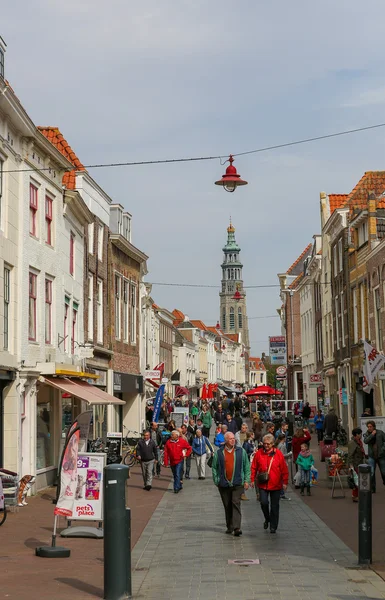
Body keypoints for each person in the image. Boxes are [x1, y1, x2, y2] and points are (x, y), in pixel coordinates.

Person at [212, 431, 250, 536]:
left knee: (235, 503)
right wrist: (216, 480)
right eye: (230, 439)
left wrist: (247, 480)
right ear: (225, 441)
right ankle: (230, 526)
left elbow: (246, 466)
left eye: (234, 438)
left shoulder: (241, 451)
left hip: (238, 483)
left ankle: (237, 527)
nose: (233, 440)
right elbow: (214, 467)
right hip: (224, 484)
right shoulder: (219, 453)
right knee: (227, 505)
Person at [251, 433, 289, 534]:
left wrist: (285, 482)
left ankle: (273, 526)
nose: (266, 445)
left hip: (276, 484)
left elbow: (284, 469)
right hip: (263, 484)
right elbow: (254, 467)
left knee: (275, 506)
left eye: (268, 444)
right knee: (263, 502)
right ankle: (267, 518)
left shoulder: (278, 454)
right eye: (265, 443)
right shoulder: (259, 453)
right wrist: (251, 479)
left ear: (272, 444)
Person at [363, 421, 385, 493]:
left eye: (370, 426)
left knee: (383, 471)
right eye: (368, 427)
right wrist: (372, 434)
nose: (369, 428)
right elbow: (365, 441)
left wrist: (383, 449)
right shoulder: (366, 434)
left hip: (381, 455)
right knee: (371, 473)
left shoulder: (380, 432)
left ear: (374, 426)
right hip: (372, 456)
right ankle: (373, 488)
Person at [348, 427, 365, 502]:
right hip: (355, 464)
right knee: (356, 480)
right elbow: (350, 455)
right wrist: (351, 466)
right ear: (356, 435)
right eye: (360, 434)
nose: (361, 435)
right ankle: (354, 496)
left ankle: (357, 495)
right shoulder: (352, 443)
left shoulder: (358, 442)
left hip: (359, 463)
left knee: (358, 480)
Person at [276, 433, 292, 500]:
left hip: (279, 463)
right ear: (284, 439)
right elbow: (282, 455)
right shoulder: (282, 446)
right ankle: (282, 494)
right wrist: (289, 454)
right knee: (282, 478)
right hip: (282, 463)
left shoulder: (279, 445)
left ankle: (280, 493)